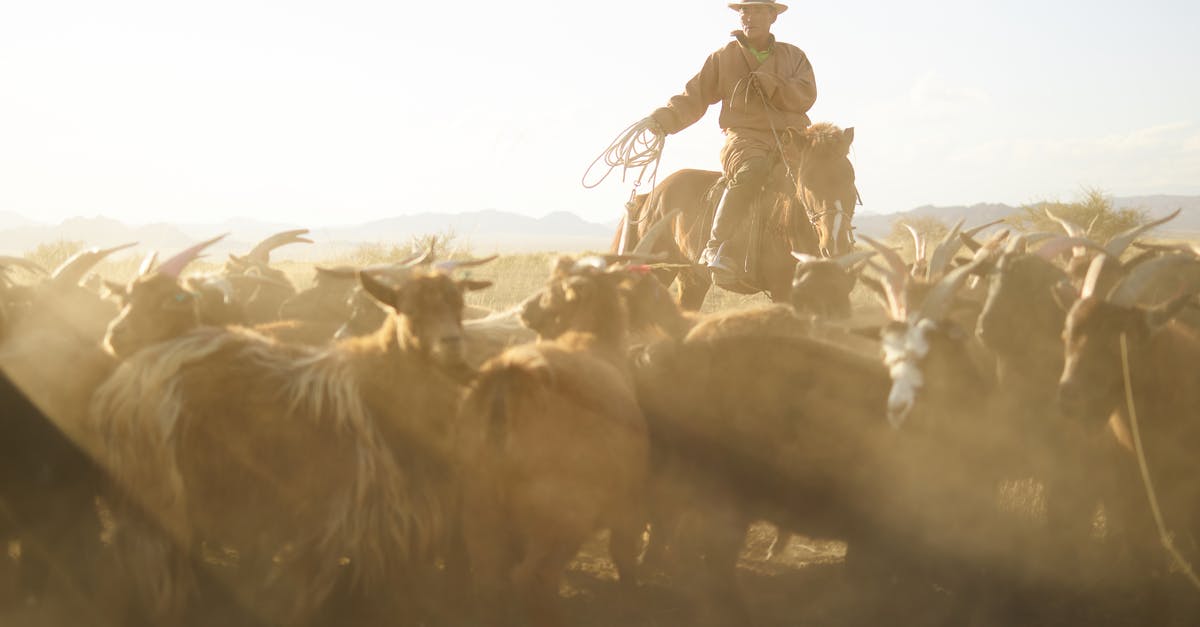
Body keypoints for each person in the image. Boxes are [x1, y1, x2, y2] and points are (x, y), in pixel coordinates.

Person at [646, 0, 816, 279]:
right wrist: (666, 118)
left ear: (773, 16)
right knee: (753, 171)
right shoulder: (723, 58)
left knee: (825, 172)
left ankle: (835, 246)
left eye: (759, 10)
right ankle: (717, 246)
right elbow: (695, 96)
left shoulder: (794, 56)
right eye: (745, 11)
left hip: (792, 139)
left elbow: (806, 94)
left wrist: (773, 85)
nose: (750, 17)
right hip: (745, 139)